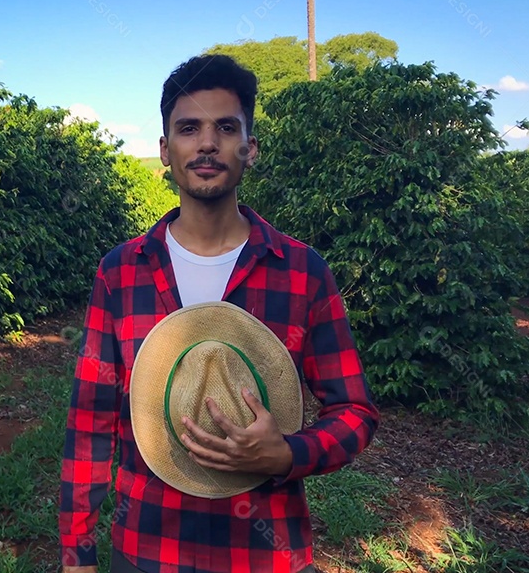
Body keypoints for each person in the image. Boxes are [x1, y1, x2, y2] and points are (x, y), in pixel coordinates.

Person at [58, 54, 380, 573]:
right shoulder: (121, 272)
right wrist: (77, 551)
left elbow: (356, 411)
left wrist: (287, 454)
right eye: (189, 128)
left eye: (225, 127)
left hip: (264, 553)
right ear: (165, 150)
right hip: (146, 550)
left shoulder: (302, 271)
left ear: (249, 149)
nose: (207, 142)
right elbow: (91, 419)